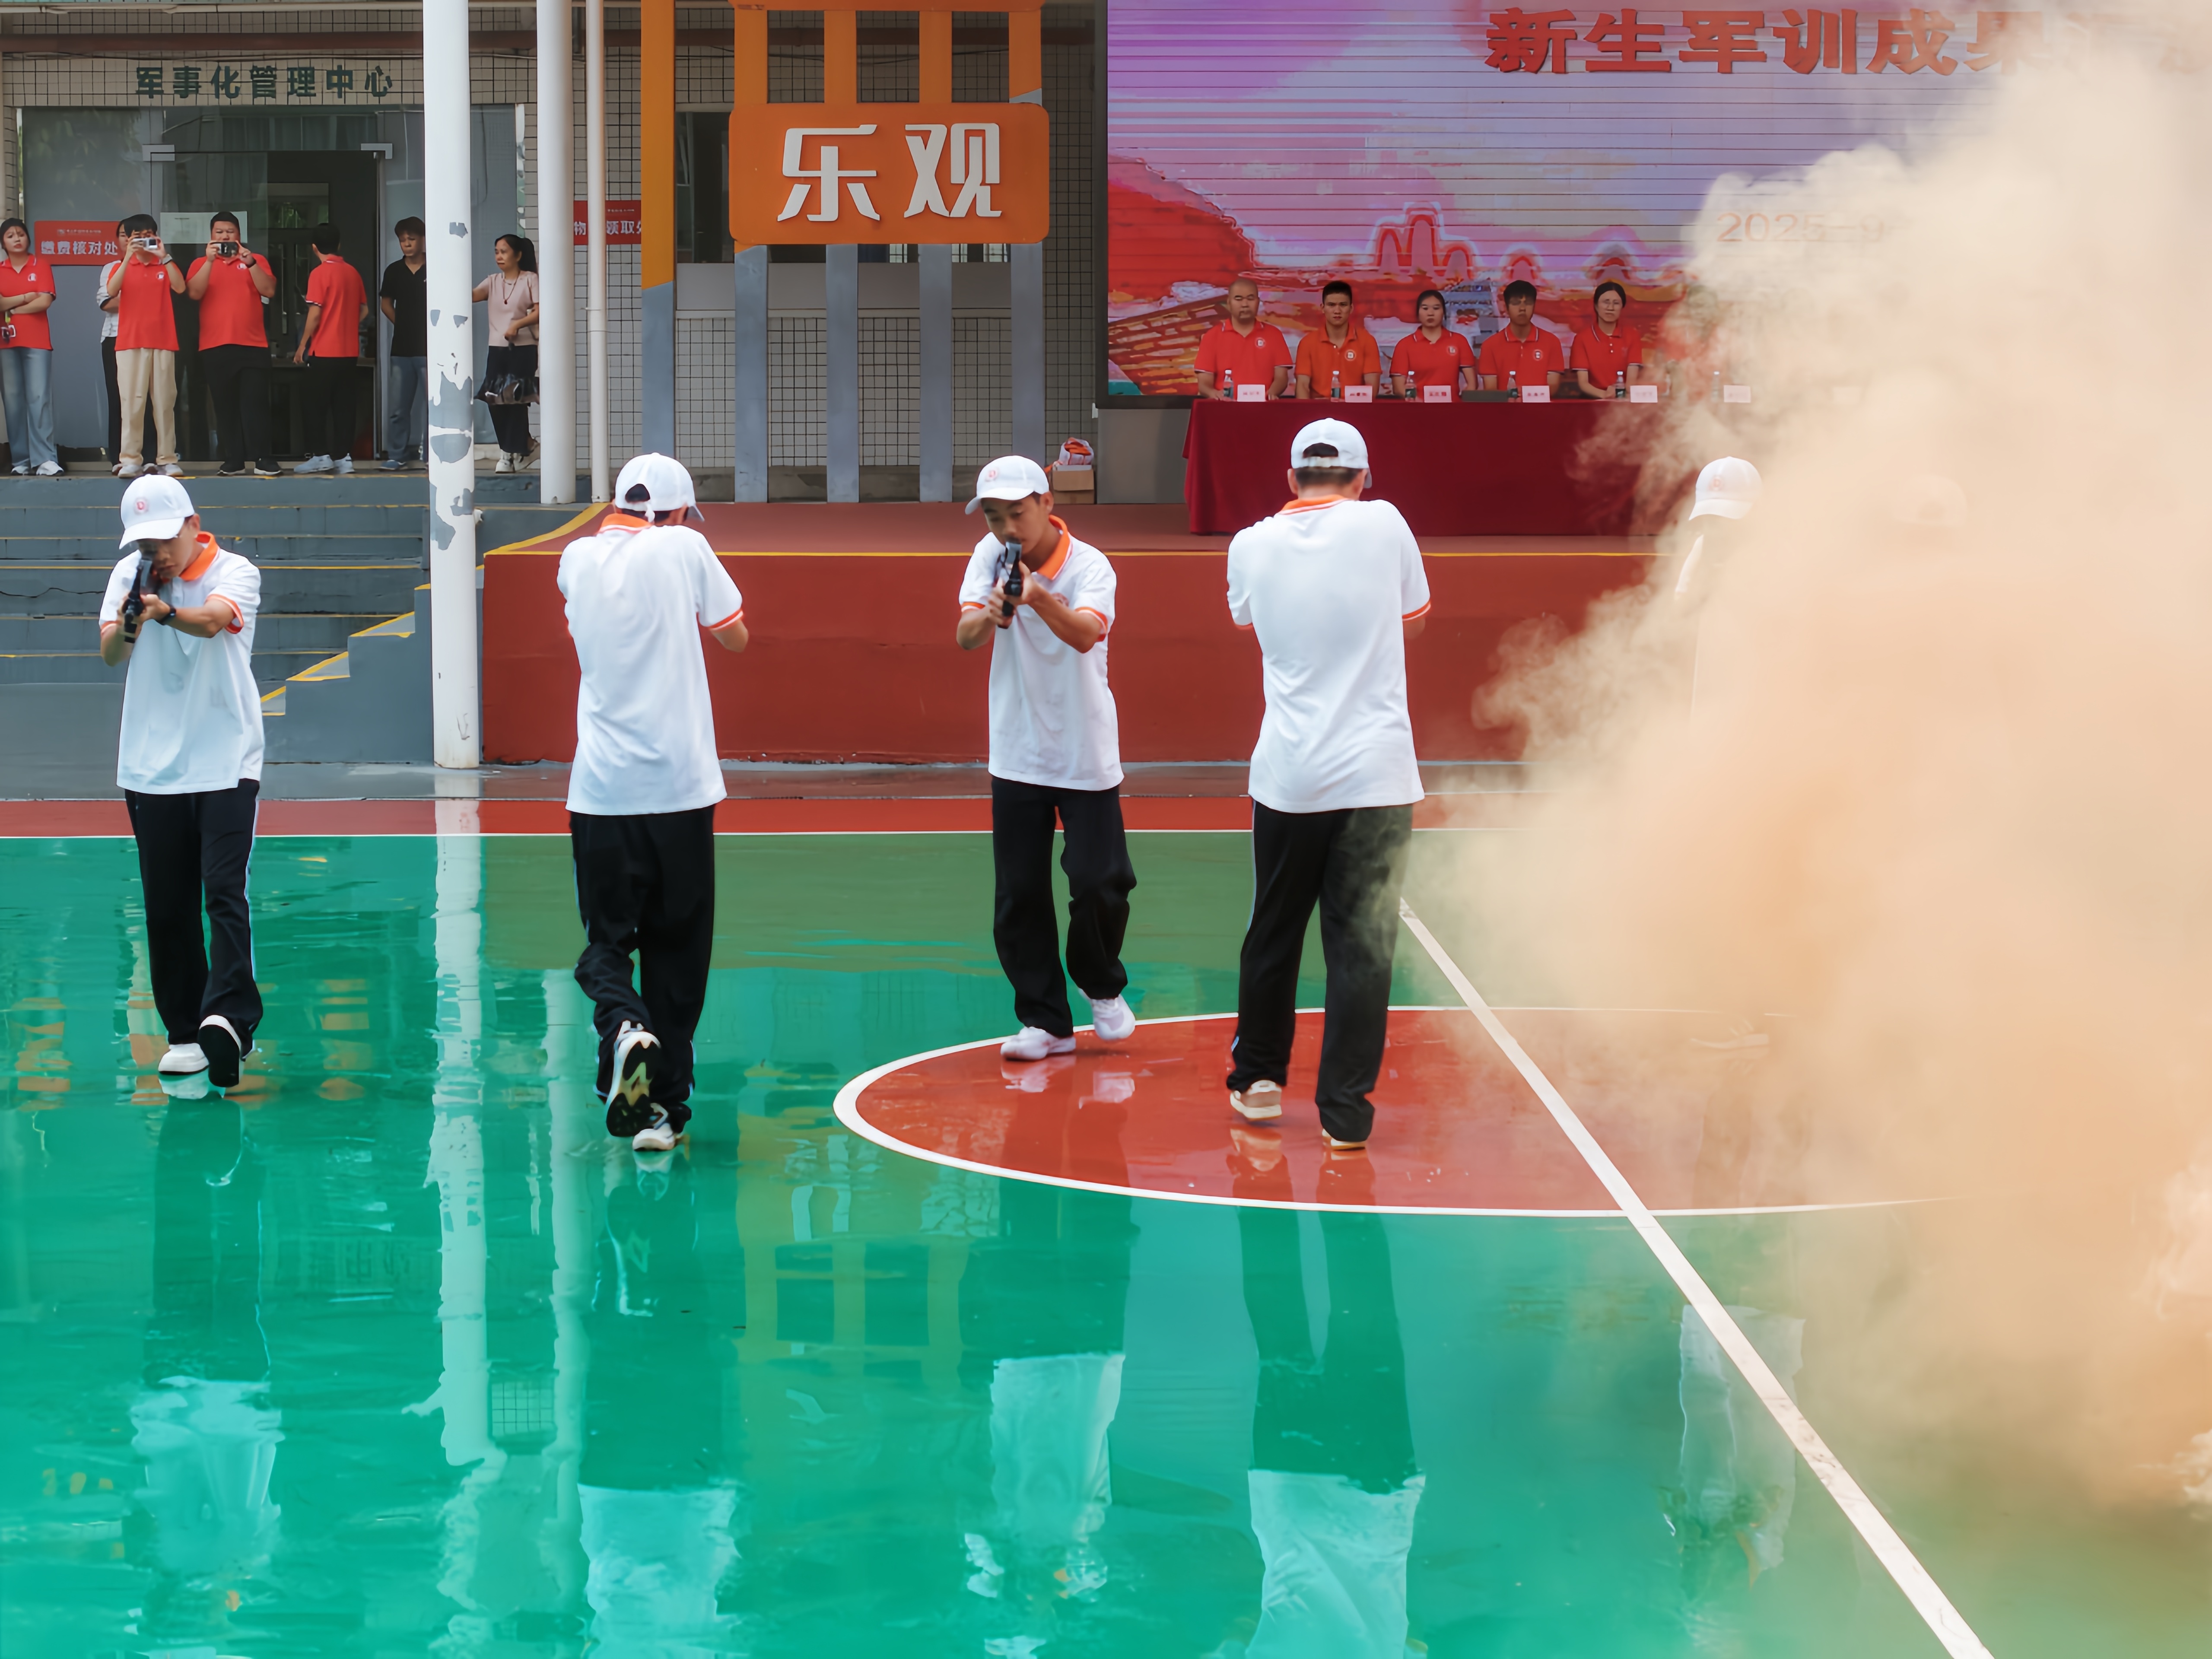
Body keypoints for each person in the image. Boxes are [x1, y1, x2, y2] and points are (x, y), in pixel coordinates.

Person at [1223, 419, 1429, 1150]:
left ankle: (1258, 1080)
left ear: (1291, 479)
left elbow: (1248, 624)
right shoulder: (1387, 524)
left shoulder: (1249, 544)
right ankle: (1345, 1114)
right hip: (1378, 776)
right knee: (1363, 943)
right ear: (1362, 478)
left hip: (1290, 776)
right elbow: (1415, 620)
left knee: (1274, 928)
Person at [559, 452, 747, 1152]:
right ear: (671, 513)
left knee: (607, 942)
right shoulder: (684, 547)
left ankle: (623, 1026)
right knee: (678, 950)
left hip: (601, 792)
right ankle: (664, 1110)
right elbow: (735, 633)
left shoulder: (575, 560)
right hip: (681, 790)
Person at [956, 454, 1138, 1062]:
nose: (1007, 528)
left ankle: (1099, 983)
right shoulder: (989, 556)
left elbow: (1086, 634)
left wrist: (1035, 597)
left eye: (1017, 513)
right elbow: (965, 637)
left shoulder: (1091, 566)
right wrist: (991, 612)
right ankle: (1045, 1021)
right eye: (993, 516)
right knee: (1019, 895)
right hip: (1016, 751)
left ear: (1047, 504)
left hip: (1084, 748)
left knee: (1101, 882)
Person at [95, 475, 265, 1089]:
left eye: (164, 540)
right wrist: (133, 617)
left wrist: (164, 612)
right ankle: (186, 1033)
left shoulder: (236, 571)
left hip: (225, 758)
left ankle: (232, 1020)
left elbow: (215, 621)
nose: (157, 554)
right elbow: (111, 653)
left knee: (223, 890)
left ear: (193, 524)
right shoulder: (129, 576)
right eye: (145, 545)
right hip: (149, 764)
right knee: (167, 906)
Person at [185, 211, 280, 478]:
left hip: (253, 345)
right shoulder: (200, 263)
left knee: (256, 404)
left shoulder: (255, 260)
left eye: (230, 231)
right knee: (224, 406)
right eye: (219, 232)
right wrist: (209, 260)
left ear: (239, 235)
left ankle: (263, 458)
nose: (225, 236)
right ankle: (234, 459)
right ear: (211, 236)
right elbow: (194, 292)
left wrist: (250, 263)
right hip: (215, 346)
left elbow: (269, 290)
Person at [106, 213, 187, 478]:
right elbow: (112, 290)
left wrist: (165, 256)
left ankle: (167, 458)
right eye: (137, 237)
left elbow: (181, 287)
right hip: (130, 343)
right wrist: (128, 256)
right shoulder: (122, 266)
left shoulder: (163, 264)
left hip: (163, 341)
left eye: (149, 235)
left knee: (164, 402)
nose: (144, 241)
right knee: (132, 402)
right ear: (128, 239)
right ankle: (130, 459)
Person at [290, 223, 365, 474]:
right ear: (339, 245)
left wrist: (302, 345)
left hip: (324, 351)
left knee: (314, 404)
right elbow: (364, 310)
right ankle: (343, 458)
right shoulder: (353, 273)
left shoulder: (319, 274)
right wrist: (345, 324)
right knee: (345, 405)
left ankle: (321, 455)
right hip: (349, 352)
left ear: (314, 248)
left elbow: (315, 313)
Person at [473, 233, 540, 473]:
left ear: (518, 255)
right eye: (496, 252)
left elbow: (540, 311)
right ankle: (523, 447)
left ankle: (509, 455)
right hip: (497, 349)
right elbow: (472, 296)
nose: (499, 256)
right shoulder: (492, 281)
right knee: (494, 400)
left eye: (504, 252)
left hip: (523, 349)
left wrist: (517, 325)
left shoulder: (530, 279)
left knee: (515, 400)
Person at [0, 217, 60, 476]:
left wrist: (11, 307)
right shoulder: (1, 269)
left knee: (39, 398)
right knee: (13, 402)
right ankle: (21, 461)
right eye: (10, 235)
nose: (17, 238)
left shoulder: (41, 265)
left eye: (21, 234)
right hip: (5, 343)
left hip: (37, 342)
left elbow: (44, 301)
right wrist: (25, 298)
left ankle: (44, 459)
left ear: (28, 238)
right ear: (3, 243)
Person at [99, 220, 158, 473]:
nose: (129, 240)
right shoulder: (112, 268)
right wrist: (140, 297)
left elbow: (162, 298)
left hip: (147, 338)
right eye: (124, 235)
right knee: (119, 400)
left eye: (135, 236)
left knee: (149, 400)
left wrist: (131, 297)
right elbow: (106, 302)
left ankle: (150, 457)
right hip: (115, 338)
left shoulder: (158, 264)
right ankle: (119, 458)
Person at [378, 216, 427, 469]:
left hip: (431, 349)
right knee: (399, 407)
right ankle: (397, 454)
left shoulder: (436, 267)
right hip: (402, 350)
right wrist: (404, 324)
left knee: (434, 405)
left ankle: (432, 456)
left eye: (412, 239)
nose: (407, 244)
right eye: (402, 240)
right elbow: (386, 304)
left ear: (423, 240)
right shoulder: (394, 271)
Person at [1194, 277, 1292, 400]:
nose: (1245, 304)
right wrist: (1214, 394)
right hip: (1224, 406)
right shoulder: (1212, 336)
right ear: (1229, 303)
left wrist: (1273, 392)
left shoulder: (1274, 335)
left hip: (1264, 406)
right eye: (1238, 299)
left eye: (1250, 299)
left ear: (1258, 302)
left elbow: (1281, 377)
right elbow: (1204, 384)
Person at [1293, 280, 1381, 400]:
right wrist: (1309, 410)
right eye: (1331, 305)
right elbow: (1302, 385)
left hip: (1356, 407)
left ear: (1351, 308)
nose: (1337, 311)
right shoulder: (1307, 343)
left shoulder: (1367, 341)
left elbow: (1372, 388)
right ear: (1323, 308)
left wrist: (1347, 404)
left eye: (1343, 305)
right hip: (1318, 408)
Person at [1475, 279, 1564, 394]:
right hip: (1506, 406)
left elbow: (1553, 385)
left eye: (1528, 303)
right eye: (1516, 303)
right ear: (1506, 307)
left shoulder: (1552, 342)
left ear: (1534, 306)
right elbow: (1491, 389)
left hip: (1540, 406)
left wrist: (1527, 395)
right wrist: (1512, 396)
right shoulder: (1490, 346)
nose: (1522, 308)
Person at [1387, 287, 1475, 400]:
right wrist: (1416, 402)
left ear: (1444, 312)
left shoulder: (1459, 341)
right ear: (1418, 313)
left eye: (1436, 308)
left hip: (1452, 408)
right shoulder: (1405, 345)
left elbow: (1472, 384)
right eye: (1425, 308)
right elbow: (1399, 388)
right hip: (1418, 408)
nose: (1430, 313)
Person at [1571, 279, 1645, 399]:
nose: (1611, 308)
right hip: (1594, 399)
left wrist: (1619, 395)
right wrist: (1605, 395)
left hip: (1624, 398)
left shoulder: (1632, 335)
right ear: (1596, 306)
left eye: (1616, 303)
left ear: (1622, 307)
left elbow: (1631, 382)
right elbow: (1583, 384)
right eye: (1606, 302)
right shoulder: (1582, 339)